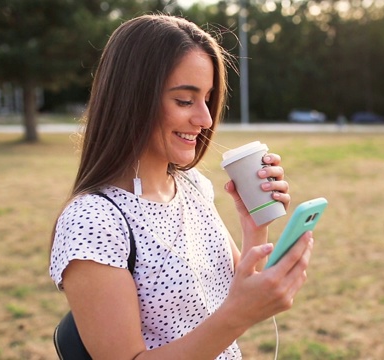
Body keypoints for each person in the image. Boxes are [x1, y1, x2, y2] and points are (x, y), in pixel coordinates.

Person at [49, 14, 314, 359]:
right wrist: (238, 315)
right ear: (132, 99)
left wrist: (255, 226)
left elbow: (239, 295)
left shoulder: (191, 186)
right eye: (185, 100)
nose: (205, 119)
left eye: (207, 99)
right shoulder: (93, 222)